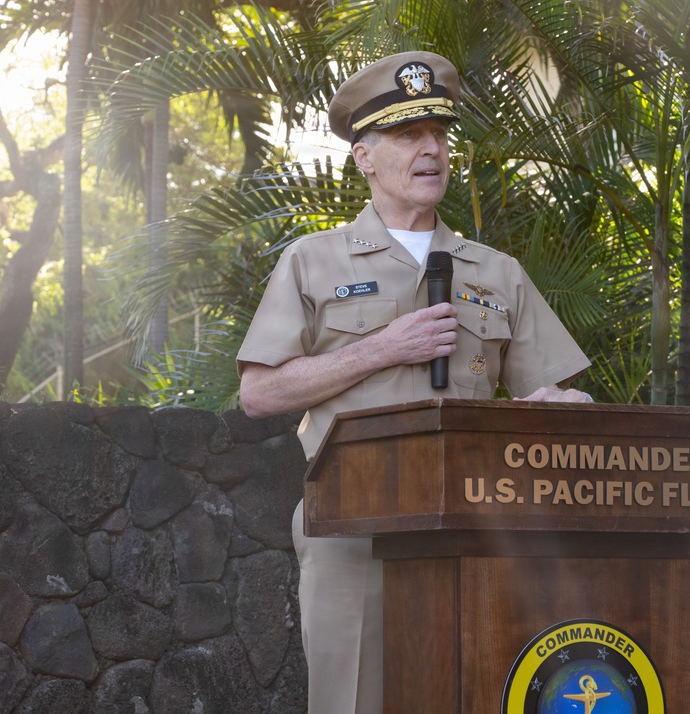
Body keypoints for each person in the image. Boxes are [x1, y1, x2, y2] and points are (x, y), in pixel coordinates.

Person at [236, 50, 592, 713]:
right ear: (363, 157)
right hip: (353, 528)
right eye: (407, 135)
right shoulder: (313, 261)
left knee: (478, 698)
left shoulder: (496, 271)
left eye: (438, 134)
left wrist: (559, 405)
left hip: (480, 528)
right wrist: (379, 349)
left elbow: (552, 394)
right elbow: (259, 393)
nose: (430, 149)